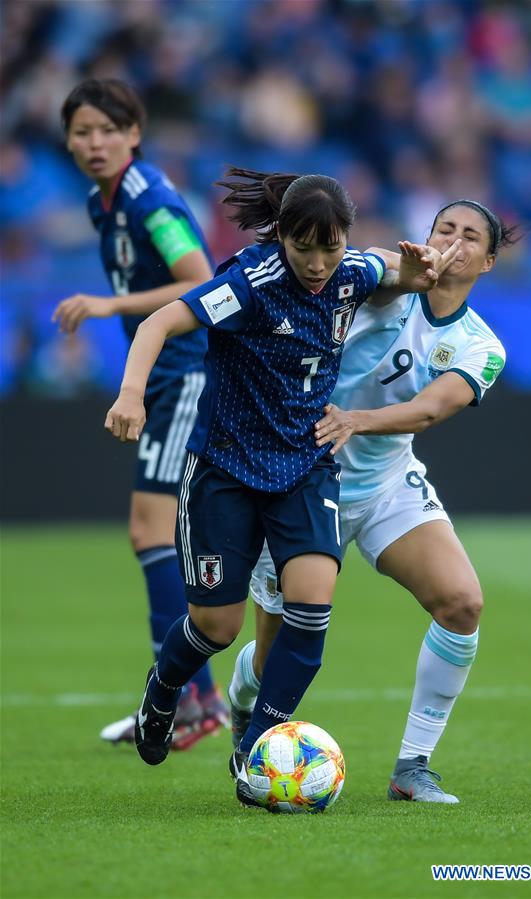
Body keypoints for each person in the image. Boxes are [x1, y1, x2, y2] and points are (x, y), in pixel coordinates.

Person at [104, 165, 459, 805]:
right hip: (226, 468)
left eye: (331, 246)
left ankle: (255, 753)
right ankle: (164, 690)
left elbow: (395, 274)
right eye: (304, 247)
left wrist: (418, 268)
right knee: (216, 625)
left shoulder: (353, 269)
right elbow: (160, 322)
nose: (319, 262)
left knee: (313, 601)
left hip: (305, 462)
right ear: (282, 238)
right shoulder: (248, 282)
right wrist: (131, 393)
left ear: (346, 239)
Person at [228, 199, 520, 803]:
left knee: (462, 603)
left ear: (487, 262)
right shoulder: (374, 286)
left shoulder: (480, 345)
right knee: (278, 652)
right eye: (445, 229)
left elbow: (435, 407)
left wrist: (358, 420)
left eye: (470, 238)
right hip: (301, 477)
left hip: (385, 481)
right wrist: (388, 268)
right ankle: (245, 699)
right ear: (426, 237)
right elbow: (341, 266)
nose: (454, 243)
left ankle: (413, 766)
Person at [52, 78, 229, 750]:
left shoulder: (147, 197)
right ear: (67, 140)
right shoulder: (103, 202)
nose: (94, 142)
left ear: (134, 134)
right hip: (163, 376)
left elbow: (200, 277)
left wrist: (107, 306)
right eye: (82, 131)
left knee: (148, 529)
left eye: (107, 129)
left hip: (186, 372)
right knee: (153, 532)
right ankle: (194, 696)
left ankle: (188, 697)